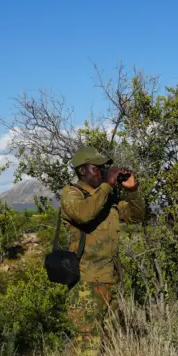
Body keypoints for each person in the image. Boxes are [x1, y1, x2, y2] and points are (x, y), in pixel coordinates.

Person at [59, 145, 145, 339]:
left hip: (109, 279)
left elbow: (136, 216)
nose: (102, 172)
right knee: (86, 345)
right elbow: (84, 214)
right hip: (86, 282)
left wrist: (132, 191)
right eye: (97, 168)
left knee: (109, 340)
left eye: (104, 168)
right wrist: (106, 184)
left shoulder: (106, 198)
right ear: (82, 171)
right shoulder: (72, 194)